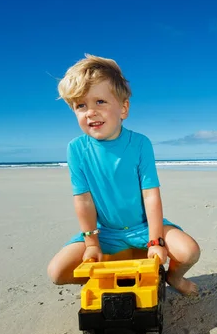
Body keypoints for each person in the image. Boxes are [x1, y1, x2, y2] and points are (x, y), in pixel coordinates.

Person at [47, 54, 200, 296]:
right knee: (57, 272)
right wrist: (91, 244)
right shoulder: (76, 149)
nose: (90, 112)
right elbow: (83, 199)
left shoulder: (140, 144)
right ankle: (113, 278)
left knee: (189, 251)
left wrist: (155, 241)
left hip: (145, 227)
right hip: (105, 232)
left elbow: (150, 195)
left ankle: (173, 278)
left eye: (100, 102)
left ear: (124, 108)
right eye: (81, 105)